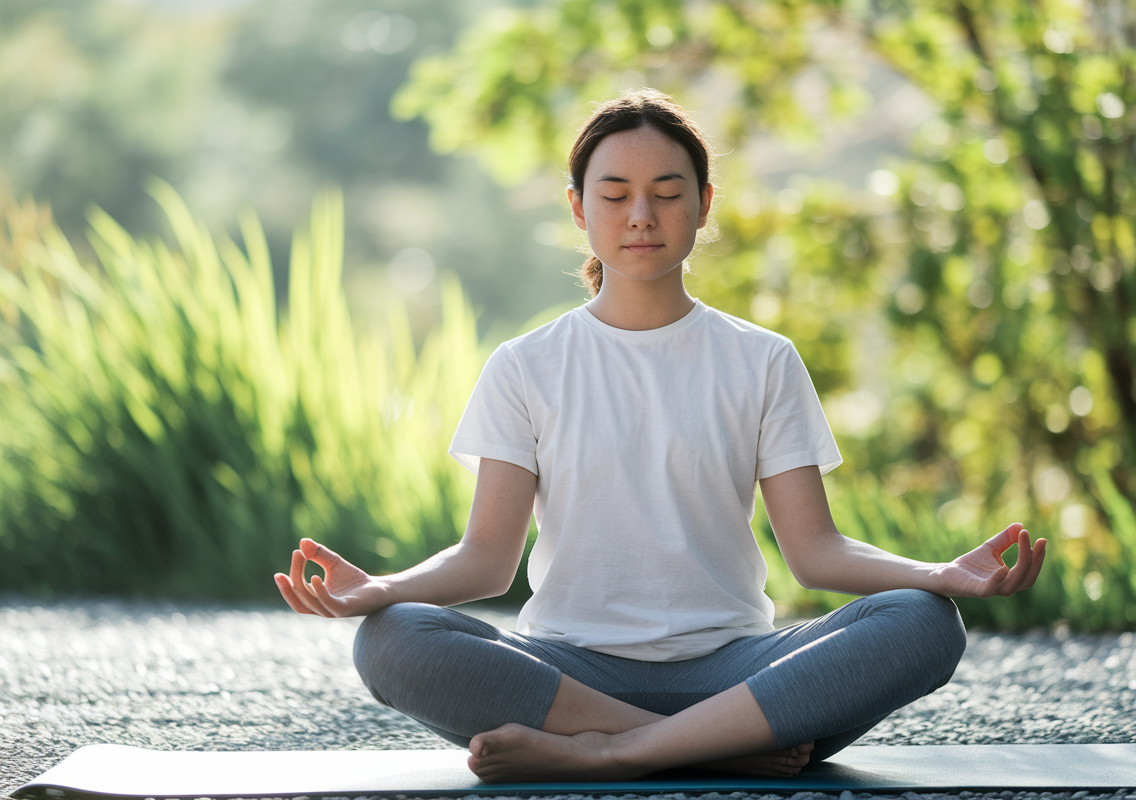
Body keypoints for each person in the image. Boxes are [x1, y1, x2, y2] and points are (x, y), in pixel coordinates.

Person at [274, 89, 1047, 784]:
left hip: (739, 672)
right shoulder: (525, 366)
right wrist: (384, 590)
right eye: (614, 195)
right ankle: (712, 748)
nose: (640, 216)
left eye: (666, 193)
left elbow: (817, 553)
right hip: (566, 673)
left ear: (704, 205)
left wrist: (942, 574)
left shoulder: (762, 360)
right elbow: (486, 560)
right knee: (392, 639)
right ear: (579, 209)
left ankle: (616, 752)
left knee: (921, 624)